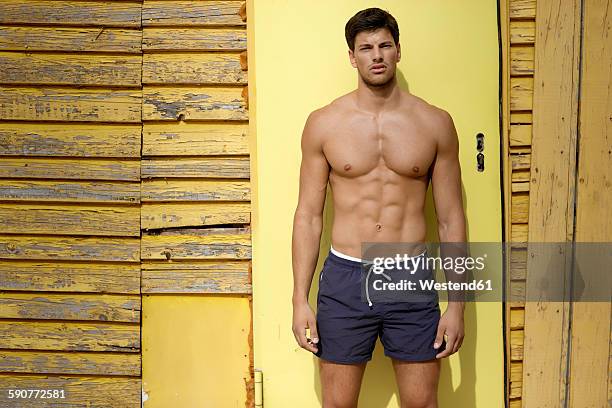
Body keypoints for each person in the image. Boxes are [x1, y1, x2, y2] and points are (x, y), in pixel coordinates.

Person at [291, 7, 466, 408]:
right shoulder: (324, 123)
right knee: (337, 405)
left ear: (398, 51)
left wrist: (457, 306)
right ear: (352, 57)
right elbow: (308, 215)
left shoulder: (435, 123)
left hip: (409, 276)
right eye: (366, 47)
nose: (377, 55)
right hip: (345, 278)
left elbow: (451, 218)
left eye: (385, 45)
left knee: (422, 404)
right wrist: (299, 300)